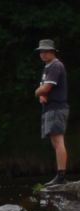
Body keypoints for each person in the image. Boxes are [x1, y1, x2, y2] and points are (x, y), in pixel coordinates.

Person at [34, 39, 69, 186]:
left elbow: (46, 88)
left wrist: (38, 91)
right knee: (55, 141)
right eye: (41, 51)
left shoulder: (55, 65)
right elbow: (46, 89)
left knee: (58, 140)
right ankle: (59, 175)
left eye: (46, 51)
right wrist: (42, 94)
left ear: (52, 52)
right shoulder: (48, 67)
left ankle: (61, 176)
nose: (42, 53)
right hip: (50, 107)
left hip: (56, 107)